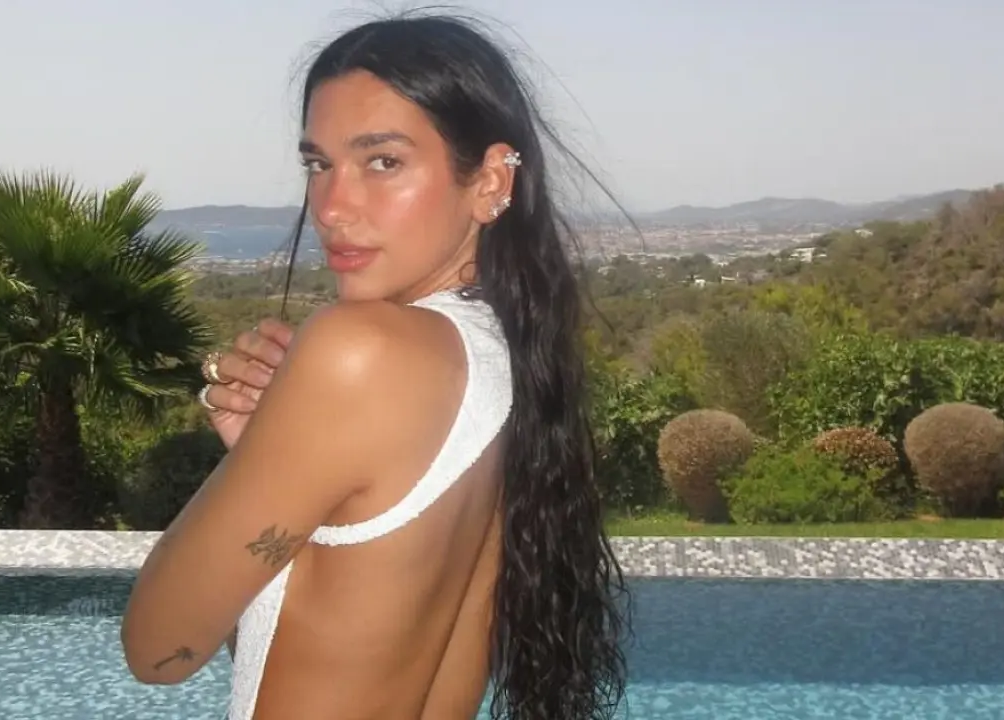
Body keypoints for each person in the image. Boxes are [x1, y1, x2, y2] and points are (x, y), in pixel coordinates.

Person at [120, 11, 630, 720]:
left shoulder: (360, 350)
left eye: (383, 161)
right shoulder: (507, 356)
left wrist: (242, 477)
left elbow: (158, 651)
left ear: (489, 181)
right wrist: (275, 457)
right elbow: (296, 649)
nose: (332, 207)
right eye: (318, 164)